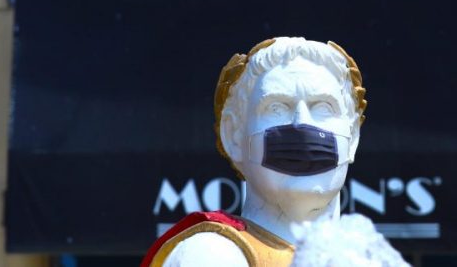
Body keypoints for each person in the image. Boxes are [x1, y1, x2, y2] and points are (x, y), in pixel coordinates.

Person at [141, 37, 367, 267]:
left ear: (353, 137)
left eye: (324, 108)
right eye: (276, 108)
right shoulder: (210, 255)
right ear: (233, 136)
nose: (302, 124)